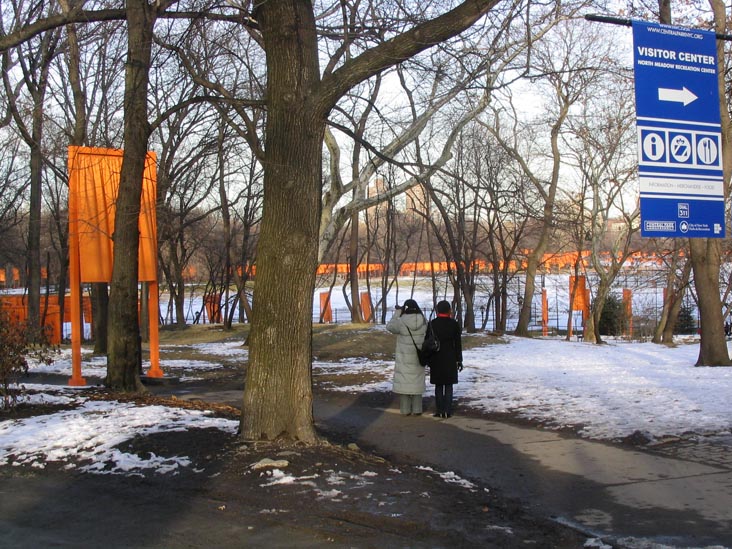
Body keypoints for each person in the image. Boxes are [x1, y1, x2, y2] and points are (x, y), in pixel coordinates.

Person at [386, 299, 427, 416]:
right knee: (417, 382)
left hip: (404, 357)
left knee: (405, 383)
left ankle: (405, 410)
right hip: (419, 356)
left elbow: (389, 327)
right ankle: (417, 409)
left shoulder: (401, 322)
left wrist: (397, 313)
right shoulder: (423, 320)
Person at [428, 300, 463, 418]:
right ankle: (447, 411)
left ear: (438, 310)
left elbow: (428, 342)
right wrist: (459, 360)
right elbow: (458, 343)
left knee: (438, 385)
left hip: (436, 357)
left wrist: (428, 359)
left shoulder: (432, 324)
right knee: (448, 385)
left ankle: (439, 410)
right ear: (449, 310)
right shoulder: (454, 324)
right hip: (450, 357)